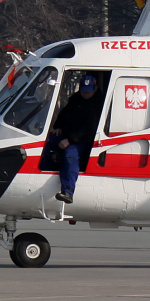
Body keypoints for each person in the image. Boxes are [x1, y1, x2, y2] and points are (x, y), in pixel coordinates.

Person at [48, 72, 105, 203]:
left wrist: (70, 140)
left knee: (70, 155)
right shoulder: (75, 98)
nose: (85, 94)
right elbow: (64, 113)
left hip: (82, 141)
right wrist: (58, 127)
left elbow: (89, 129)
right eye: (83, 91)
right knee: (44, 143)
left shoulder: (97, 105)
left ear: (95, 89)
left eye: (88, 91)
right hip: (65, 135)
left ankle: (68, 191)